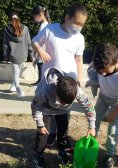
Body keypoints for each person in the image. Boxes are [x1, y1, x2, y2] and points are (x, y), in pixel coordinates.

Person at [32, 3, 88, 147]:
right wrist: (41, 51)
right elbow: (34, 41)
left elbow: (79, 59)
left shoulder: (79, 38)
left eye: (82, 24)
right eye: (77, 23)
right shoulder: (50, 29)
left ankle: (62, 138)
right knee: (49, 111)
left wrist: (79, 79)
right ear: (67, 18)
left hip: (69, 80)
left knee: (64, 110)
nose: (79, 27)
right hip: (51, 81)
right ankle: (51, 133)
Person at [31, 67, 96, 168]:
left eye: (68, 103)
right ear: (56, 92)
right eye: (62, 102)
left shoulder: (75, 89)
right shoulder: (44, 90)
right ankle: (38, 154)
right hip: (45, 110)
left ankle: (62, 150)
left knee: (63, 131)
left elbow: (88, 106)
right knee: (43, 134)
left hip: (63, 112)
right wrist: (40, 124)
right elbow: (36, 106)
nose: (64, 104)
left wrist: (92, 126)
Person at [87, 43, 118, 168]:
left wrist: (114, 113)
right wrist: (95, 82)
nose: (102, 74)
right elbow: (94, 73)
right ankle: (90, 146)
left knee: (113, 129)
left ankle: (110, 154)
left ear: (114, 63)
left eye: (105, 72)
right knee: (94, 121)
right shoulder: (98, 64)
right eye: (100, 72)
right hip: (103, 97)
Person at [3, 11, 33, 98]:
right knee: (17, 72)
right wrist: (31, 55)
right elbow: (29, 42)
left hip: (13, 55)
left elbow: (5, 44)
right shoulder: (26, 28)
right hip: (23, 54)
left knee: (16, 73)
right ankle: (13, 86)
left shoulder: (6, 29)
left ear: (10, 20)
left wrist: (5, 57)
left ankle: (18, 90)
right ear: (19, 19)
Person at [31, 5, 51, 86]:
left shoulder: (44, 25)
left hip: (42, 50)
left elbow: (39, 41)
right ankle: (40, 80)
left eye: (34, 17)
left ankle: (40, 81)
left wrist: (37, 52)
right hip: (44, 50)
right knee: (41, 67)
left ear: (40, 15)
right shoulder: (47, 24)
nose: (34, 19)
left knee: (41, 66)